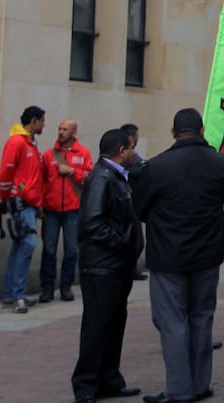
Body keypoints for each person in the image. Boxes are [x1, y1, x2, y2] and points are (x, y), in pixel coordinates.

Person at [134, 109, 224, 403]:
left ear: (174, 132)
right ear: (202, 130)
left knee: (172, 321)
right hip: (206, 253)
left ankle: (179, 388)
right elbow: (220, 203)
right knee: (201, 318)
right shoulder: (218, 163)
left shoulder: (157, 166)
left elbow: (139, 209)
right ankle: (200, 383)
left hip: (169, 254)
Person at [71, 129, 145, 403]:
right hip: (102, 267)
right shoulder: (102, 178)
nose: (134, 153)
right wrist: (121, 242)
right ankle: (86, 384)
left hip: (117, 266)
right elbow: (91, 222)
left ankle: (109, 378)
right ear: (120, 151)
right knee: (97, 325)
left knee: (114, 324)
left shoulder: (118, 177)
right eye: (130, 149)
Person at [0, 105, 46, 313]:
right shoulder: (18, 142)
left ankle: (11, 293)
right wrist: (11, 197)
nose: (44, 125)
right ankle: (18, 295)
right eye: (42, 121)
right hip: (23, 202)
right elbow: (6, 174)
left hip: (29, 202)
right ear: (34, 121)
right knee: (27, 244)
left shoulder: (30, 143)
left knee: (20, 246)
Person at [40, 118, 92, 303]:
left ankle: (66, 286)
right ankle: (47, 287)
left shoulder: (83, 153)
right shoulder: (48, 155)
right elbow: (41, 181)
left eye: (65, 129)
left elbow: (88, 177)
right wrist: (40, 204)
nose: (61, 132)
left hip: (73, 209)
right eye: (59, 128)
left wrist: (71, 171)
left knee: (71, 251)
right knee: (49, 250)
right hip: (51, 209)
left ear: (74, 132)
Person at [121, 123, 149, 282]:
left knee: (137, 241)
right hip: (127, 202)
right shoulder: (126, 155)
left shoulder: (133, 155)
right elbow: (138, 168)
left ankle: (131, 269)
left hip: (134, 201)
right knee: (134, 240)